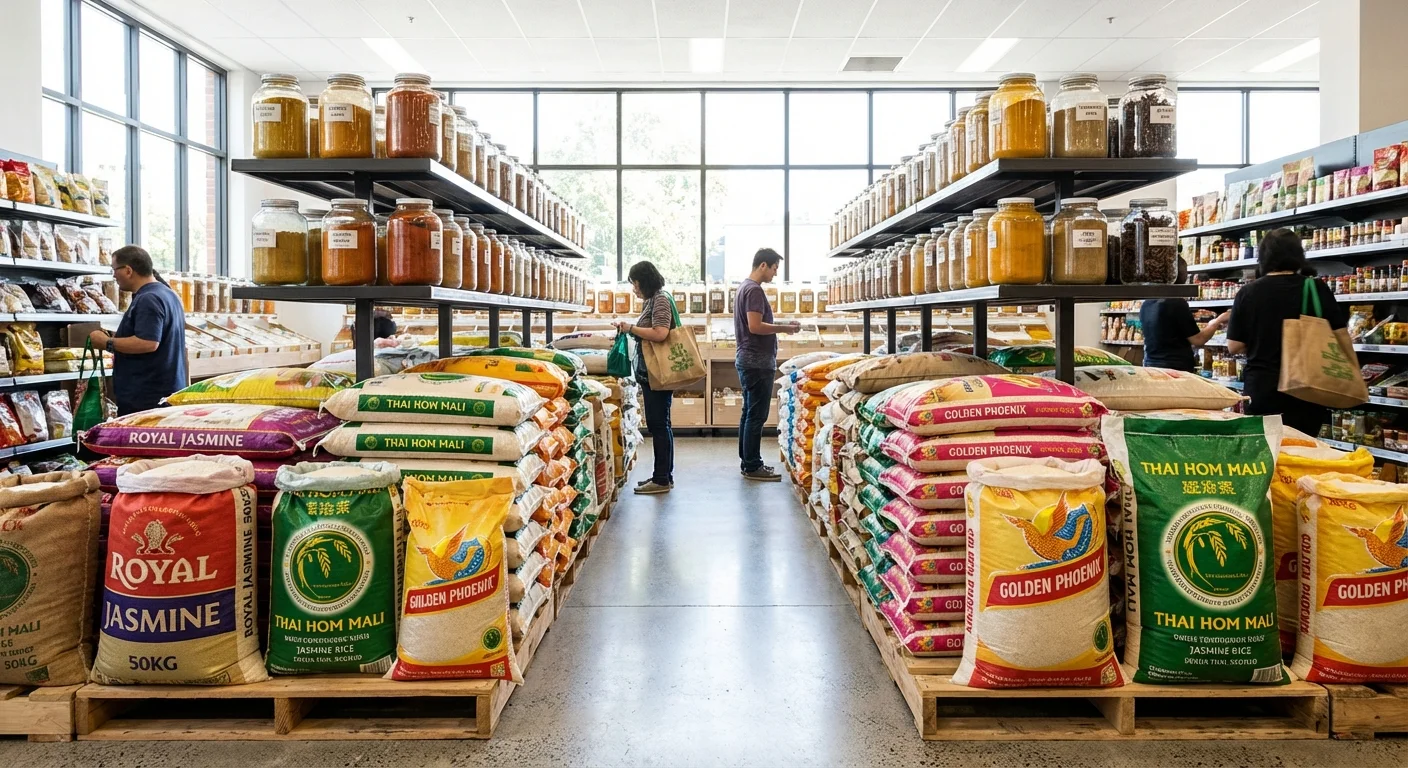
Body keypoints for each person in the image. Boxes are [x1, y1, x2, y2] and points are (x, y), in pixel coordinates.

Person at [1226, 228, 1347, 437]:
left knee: (1266, 454)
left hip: (1263, 388)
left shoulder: (1249, 292)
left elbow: (1234, 345)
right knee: (1305, 452)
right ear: (1298, 255)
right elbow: (1341, 337)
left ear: (1264, 256)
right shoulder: (1315, 288)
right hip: (1309, 388)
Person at [88, 246, 187, 415]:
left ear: (128, 270)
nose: (113, 276)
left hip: (148, 400)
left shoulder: (148, 299)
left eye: (114, 269)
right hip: (163, 394)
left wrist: (106, 343)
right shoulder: (168, 295)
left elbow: (148, 342)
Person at [734, 248, 800, 482]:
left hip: (748, 359)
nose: (774, 273)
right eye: (774, 268)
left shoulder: (744, 287)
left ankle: (747, 460)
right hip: (757, 362)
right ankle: (752, 465)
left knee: (748, 413)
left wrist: (781, 325)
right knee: (757, 415)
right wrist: (785, 328)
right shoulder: (753, 290)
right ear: (763, 265)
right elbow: (755, 326)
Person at [613, 261, 678, 495]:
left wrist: (631, 328)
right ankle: (663, 476)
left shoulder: (660, 299)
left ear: (644, 280)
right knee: (661, 424)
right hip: (651, 373)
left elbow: (661, 333)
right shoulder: (652, 300)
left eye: (635, 283)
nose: (634, 289)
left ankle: (661, 479)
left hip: (658, 373)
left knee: (659, 425)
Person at [1141, 259, 1229, 372]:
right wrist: (1217, 321)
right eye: (1185, 271)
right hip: (1175, 368)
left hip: (1151, 366)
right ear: (1177, 274)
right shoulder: (1175, 302)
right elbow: (1198, 340)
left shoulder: (1147, 303)